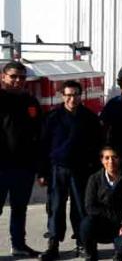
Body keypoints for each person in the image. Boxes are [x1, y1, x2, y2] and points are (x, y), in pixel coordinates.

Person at [38, 80, 101, 261]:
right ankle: (53, 245)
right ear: (62, 96)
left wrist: (95, 173)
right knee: (55, 207)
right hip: (58, 170)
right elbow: (43, 147)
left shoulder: (90, 119)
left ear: (81, 96)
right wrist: (42, 172)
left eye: (75, 95)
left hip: (82, 170)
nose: (72, 99)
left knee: (81, 208)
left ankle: (83, 244)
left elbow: (97, 146)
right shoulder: (52, 118)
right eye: (68, 95)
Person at [0, 61, 43, 256]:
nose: (18, 81)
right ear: (3, 77)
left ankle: (18, 245)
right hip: (0, 167)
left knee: (19, 209)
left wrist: (39, 167)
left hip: (24, 167)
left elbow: (39, 135)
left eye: (22, 77)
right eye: (13, 76)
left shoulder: (31, 102)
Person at [80, 147, 122, 261]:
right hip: (102, 223)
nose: (111, 161)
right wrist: (112, 216)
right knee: (86, 224)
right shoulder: (94, 179)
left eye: (114, 157)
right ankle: (90, 253)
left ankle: (119, 253)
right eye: (107, 158)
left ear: (119, 159)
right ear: (102, 160)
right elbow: (90, 206)